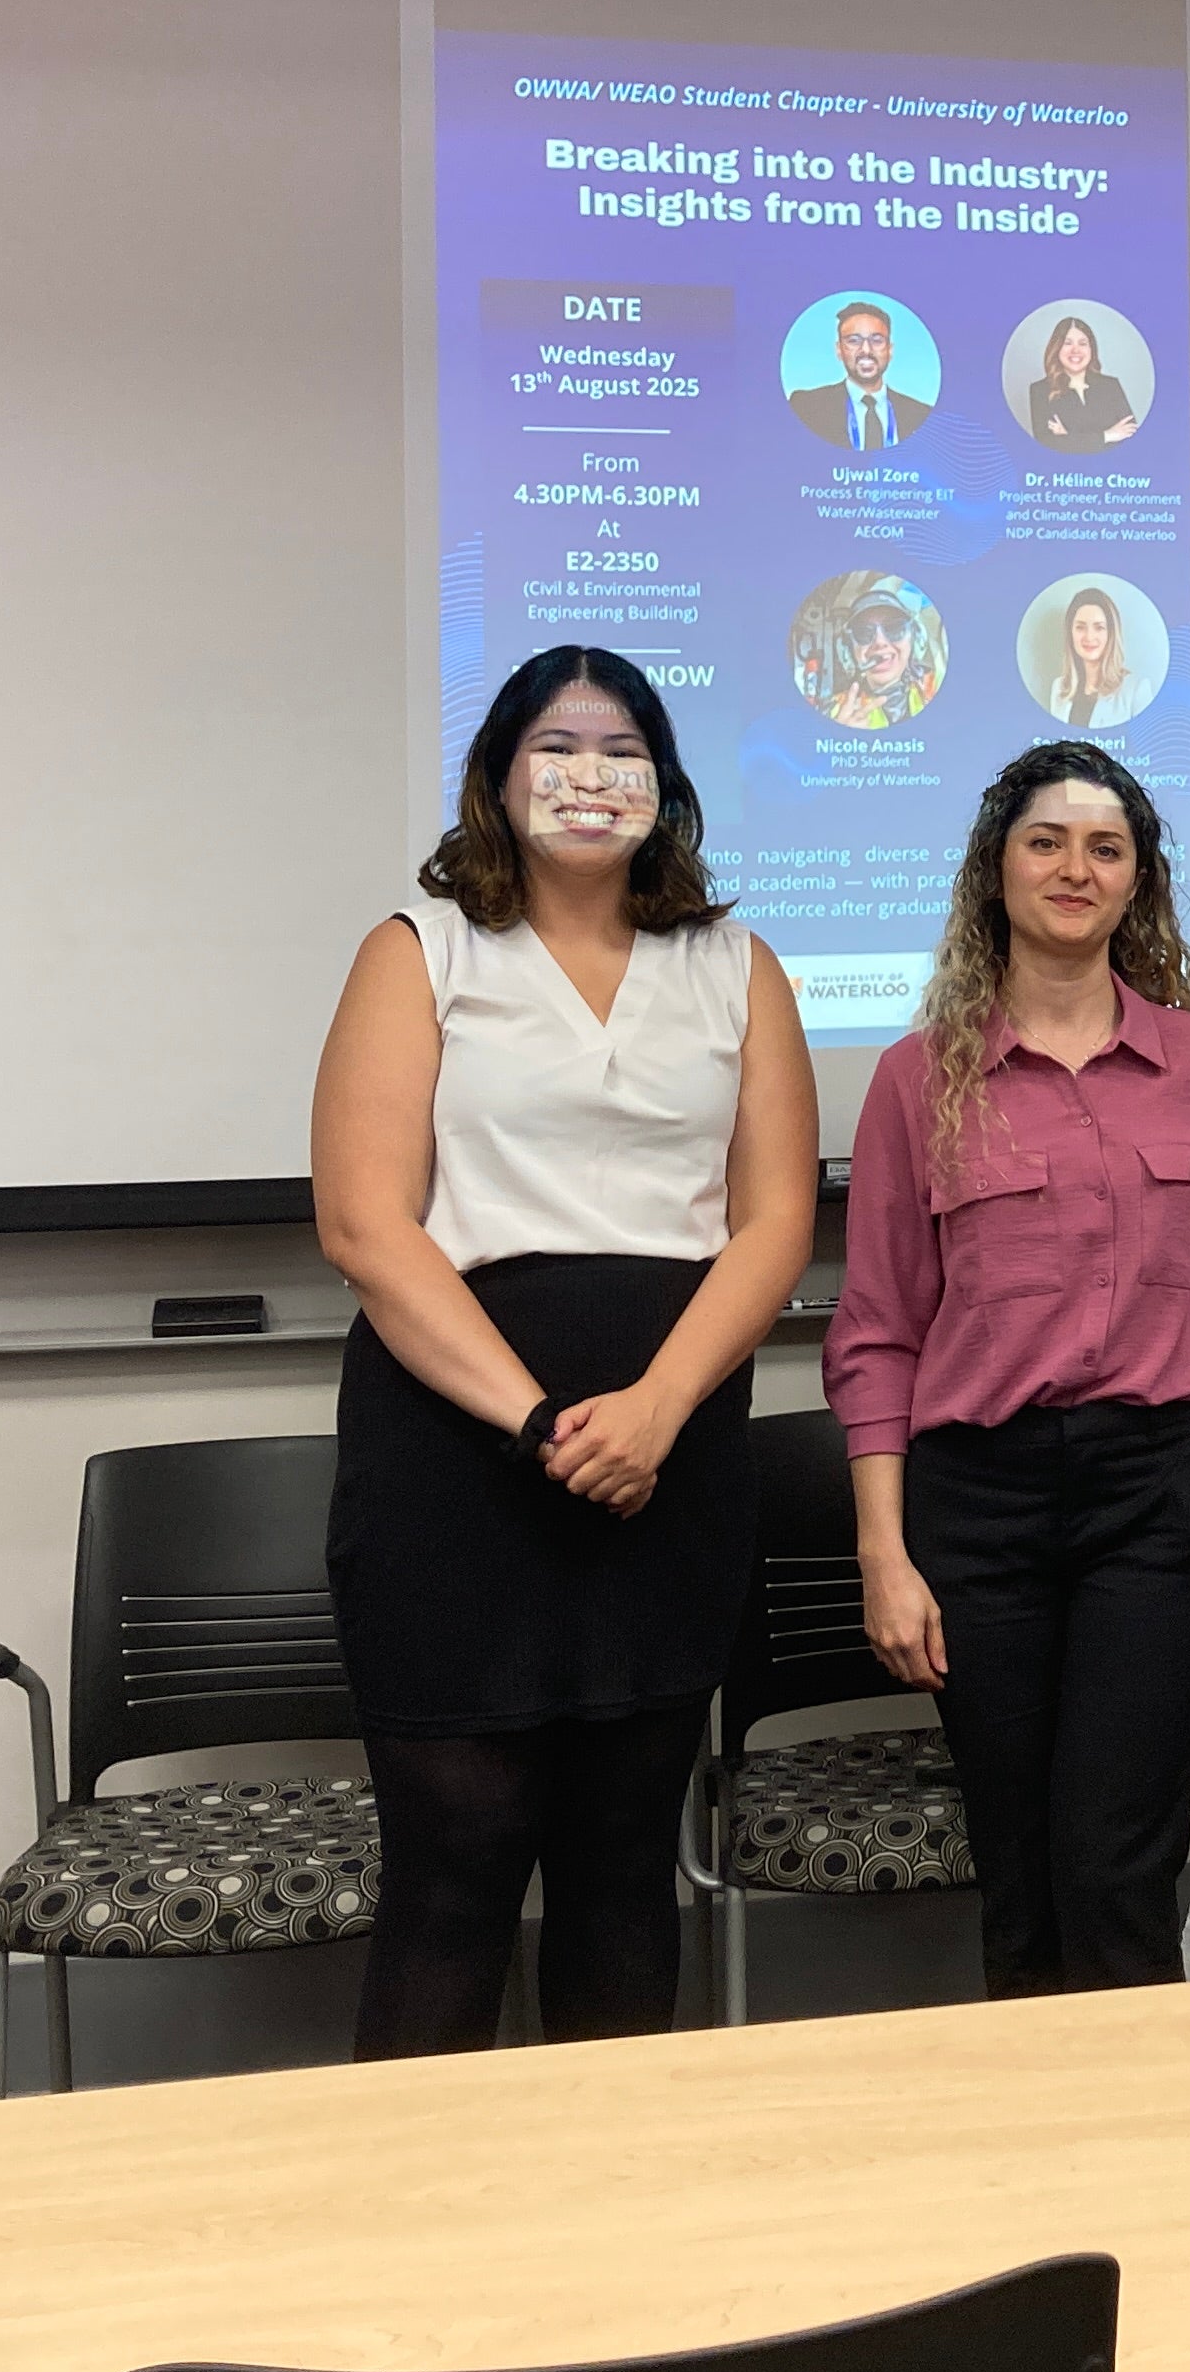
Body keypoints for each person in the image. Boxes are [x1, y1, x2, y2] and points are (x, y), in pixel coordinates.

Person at [310, 646, 817, 2057]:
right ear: (497, 775)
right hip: (457, 1465)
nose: (590, 775)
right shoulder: (422, 951)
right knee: (455, 1870)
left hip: (673, 1459)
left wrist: (656, 1407)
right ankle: (419, 2242)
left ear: (666, 788)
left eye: (622, 750)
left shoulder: (737, 965)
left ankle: (615, 2236)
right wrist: (540, 1423)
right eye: (556, 746)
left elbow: (775, 1224)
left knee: (619, 1868)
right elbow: (364, 1224)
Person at [828, 741, 1190, 1995]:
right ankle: (1039, 2165)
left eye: (1106, 847)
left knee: (1117, 1864)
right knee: (1021, 1872)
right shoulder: (914, 1079)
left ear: (1140, 881)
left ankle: (1140, 2162)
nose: (1073, 868)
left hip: (1159, 1494)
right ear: (996, 870)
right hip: (976, 1508)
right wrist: (886, 1551)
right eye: (1045, 842)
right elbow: (875, 1331)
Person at [787, 301, 934, 449]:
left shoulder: (921, 415)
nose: (866, 350)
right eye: (853, 341)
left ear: (890, 350)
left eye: (877, 340)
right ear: (839, 350)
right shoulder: (806, 406)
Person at [1019, 313, 1141, 452]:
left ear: (1091, 349)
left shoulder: (1111, 386)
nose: (1075, 350)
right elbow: (1047, 444)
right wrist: (1107, 435)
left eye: (1083, 343)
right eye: (1067, 343)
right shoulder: (1040, 390)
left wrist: (1069, 437)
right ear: (1056, 348)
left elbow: (1131, 438)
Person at [820, 591, 939, 730]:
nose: (879, 642)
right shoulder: (832, 713)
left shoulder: (940, 689)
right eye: (863, 632)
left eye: (895, 628)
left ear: (915, 639)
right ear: (847, 651)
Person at [1044, 586, 1142, 731]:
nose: (1089, 637)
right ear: (1070, 633)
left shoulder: (1136, 690)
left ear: (1111, 634)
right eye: (1080, 627)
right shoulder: (1058, 688)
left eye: (1099, 627)